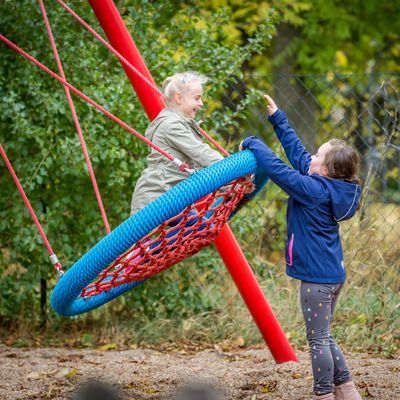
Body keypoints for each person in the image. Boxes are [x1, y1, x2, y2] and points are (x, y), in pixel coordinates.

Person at [240, 95, 362, 400]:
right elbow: (297, 156)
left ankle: (323, 394)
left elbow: (280, 171)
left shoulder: (312, 190)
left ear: (326, 170)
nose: (311, 156)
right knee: (324, 335)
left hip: (317, 281)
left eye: (318, 155)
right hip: (332, 276)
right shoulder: (327, 187)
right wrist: (278, 118)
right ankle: (346, 390)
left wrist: (254, 143)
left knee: (317, 340)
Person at [131, 71, 224, 215]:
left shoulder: (181, 124)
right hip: (154, 197)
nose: (201, 103)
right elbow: (201, 153)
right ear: (179, 98)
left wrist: (230, 185)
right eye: (197, 98)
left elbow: (199, 167)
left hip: (173, 197)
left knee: (202, 230)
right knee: (143, 237)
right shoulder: (171, 126)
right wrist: (232, 170)